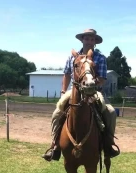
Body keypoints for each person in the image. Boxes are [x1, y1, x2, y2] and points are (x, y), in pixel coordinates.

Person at [42, 28, 120, 161]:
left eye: (92, 39)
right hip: (75, 90)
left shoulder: (100, 58)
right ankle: (55, 146)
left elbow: (102, 79)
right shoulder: (73, 57)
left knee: (111, 112)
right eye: (87, 38)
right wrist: (63, 91)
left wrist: (90, 83)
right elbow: (67, 74)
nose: (89, 41)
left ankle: (108, 145)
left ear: (95, 42)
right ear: (82, 40)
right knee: (56, 114)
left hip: (95, 91)